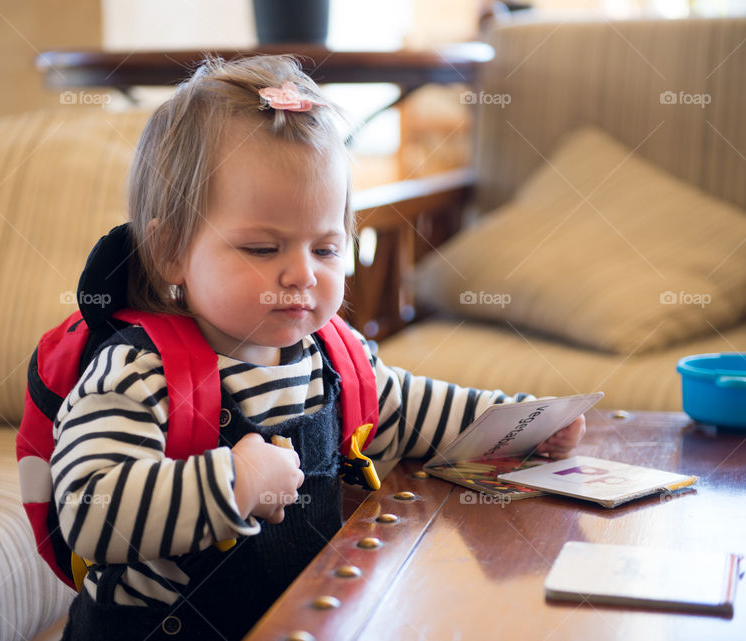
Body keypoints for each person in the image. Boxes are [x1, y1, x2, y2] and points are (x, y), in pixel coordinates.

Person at [51, 54, 585, 641]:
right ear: (172, 251)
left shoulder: (332, 357)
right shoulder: (137, 371)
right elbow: (86, 511)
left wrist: (525, 423)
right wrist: (234, 484)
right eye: (262, 249)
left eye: (327, 250)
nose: (301, 274)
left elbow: (412, 411)